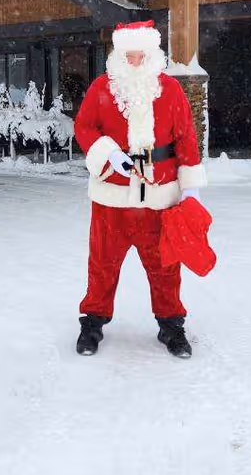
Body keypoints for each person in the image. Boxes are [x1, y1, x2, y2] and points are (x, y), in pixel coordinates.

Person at [73, 20, 206, 358]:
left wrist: (190, 188)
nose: (133, 61)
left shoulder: (171, 91)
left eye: (140, 55)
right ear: (118, 54)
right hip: (112, 198)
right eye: (127, 55)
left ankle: (171, 326)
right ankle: (92, 323)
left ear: (151, 54)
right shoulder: (102, 87)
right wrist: (109, 153)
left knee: (165, 266)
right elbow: (84, 126)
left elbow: (186, 138)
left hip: (160, 197)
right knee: (102, 263)